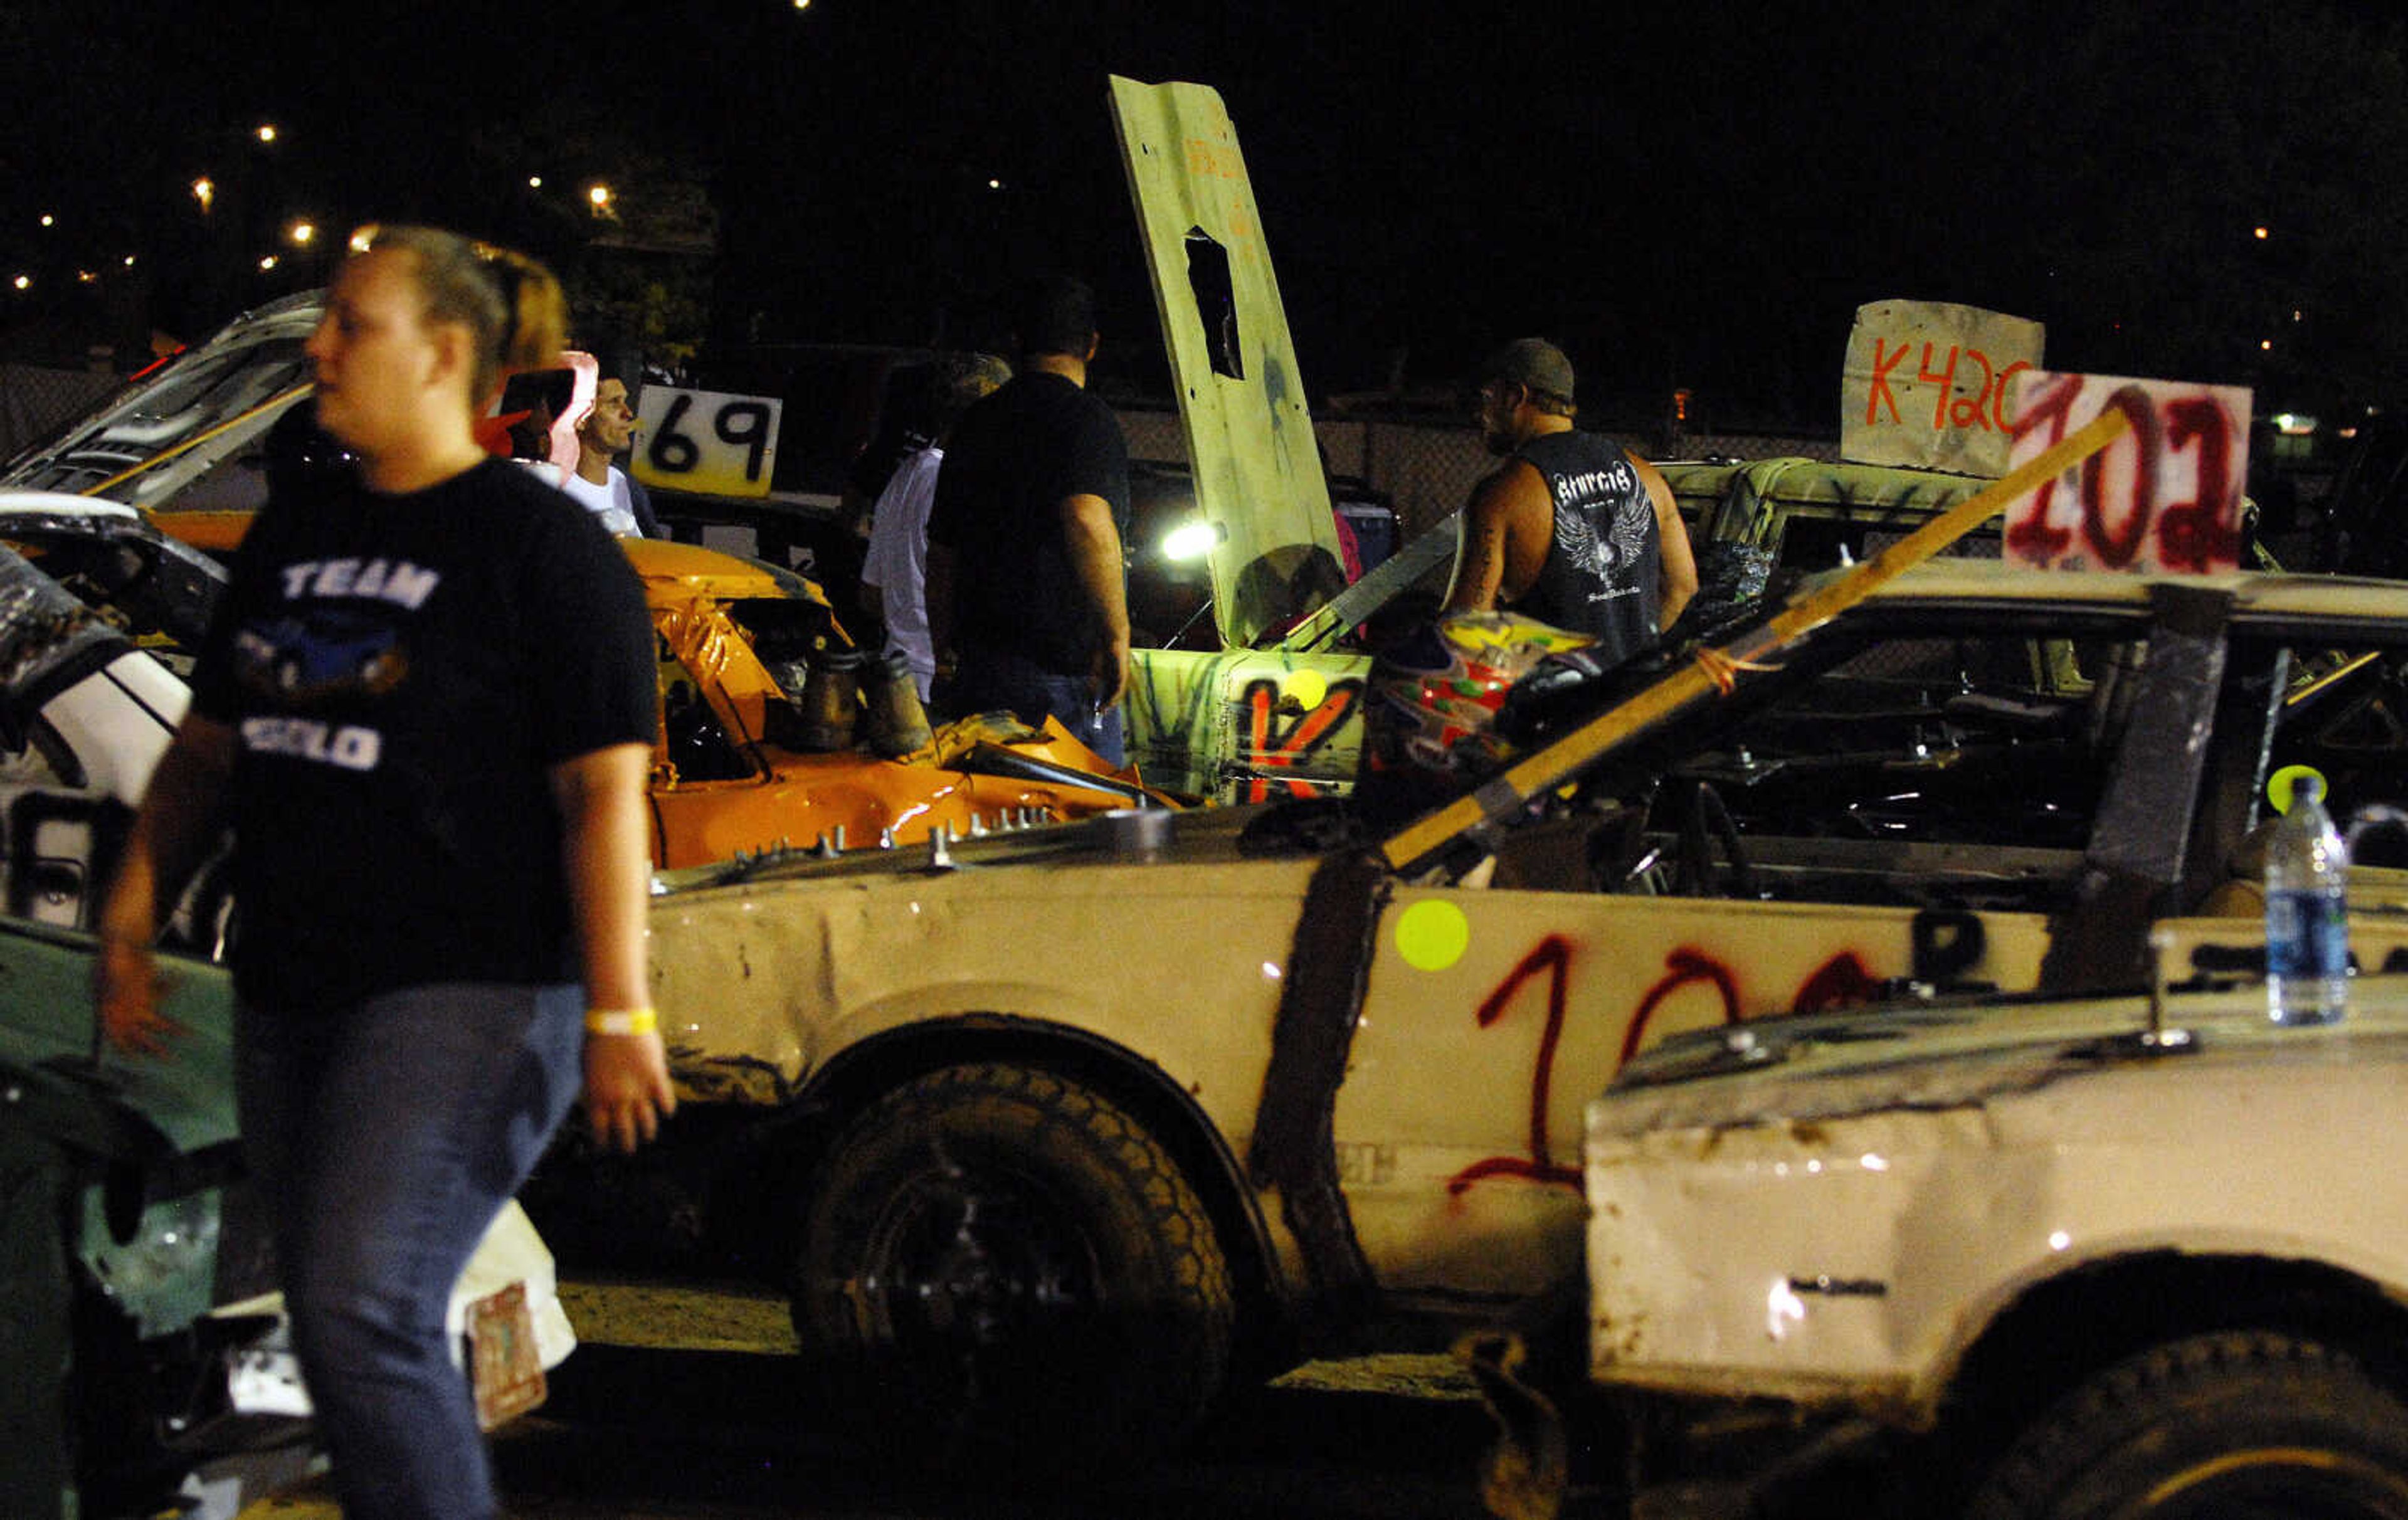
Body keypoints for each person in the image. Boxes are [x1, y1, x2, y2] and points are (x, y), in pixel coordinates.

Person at [95, 225, 675, 1520]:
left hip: (471, 991)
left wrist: (619, 1006)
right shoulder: (297, 531)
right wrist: (131, 914)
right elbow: (207, 754)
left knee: (367, 1304)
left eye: (354, 324)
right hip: (293, 988)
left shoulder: (547, 552)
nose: (319, 349)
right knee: (340, 1321)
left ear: (449, 355)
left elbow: (604, 797)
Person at [926, 276, 1134, 764]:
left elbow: (942, 551)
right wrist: (1117, 636)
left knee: (991, 819)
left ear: (1017, 343)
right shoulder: (1087, 420)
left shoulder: (977, 422)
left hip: (981, 667)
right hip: (1061, 677)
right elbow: (1086, 518)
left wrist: (942, 647)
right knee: (1087, 819)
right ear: (1093, 345)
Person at [1442, 337, 1698, 665]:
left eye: (1487, 398)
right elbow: (1682, 587)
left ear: (1516, 397)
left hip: (1551, 709)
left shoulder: (1504, 494)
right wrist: (1627, 659)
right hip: (1635, 701)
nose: (1481, 414)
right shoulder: (1646, 476)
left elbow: (1464, 627)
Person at [860, 352, 1011, 700]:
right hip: (945, 683)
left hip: (896, 680)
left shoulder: (906, 475)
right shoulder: (962, 484)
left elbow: (871, 595)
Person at [560, 373, 663, 537]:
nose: (628, 414)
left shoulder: (623, 483)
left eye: (625, 401)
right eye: (614, 403)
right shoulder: (555, 487)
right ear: (581, 419)